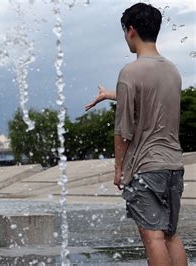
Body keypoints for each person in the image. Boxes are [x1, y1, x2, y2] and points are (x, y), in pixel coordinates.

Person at [86, 3, 187, 265]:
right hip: (173, 165)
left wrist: (119, 169)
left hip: (145, 167)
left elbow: (123, 131)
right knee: (171, 235)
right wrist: (111, 94)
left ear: (131, 30)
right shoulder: (172, 70)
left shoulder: (129, 72)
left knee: (153, 237)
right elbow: (151, 96)